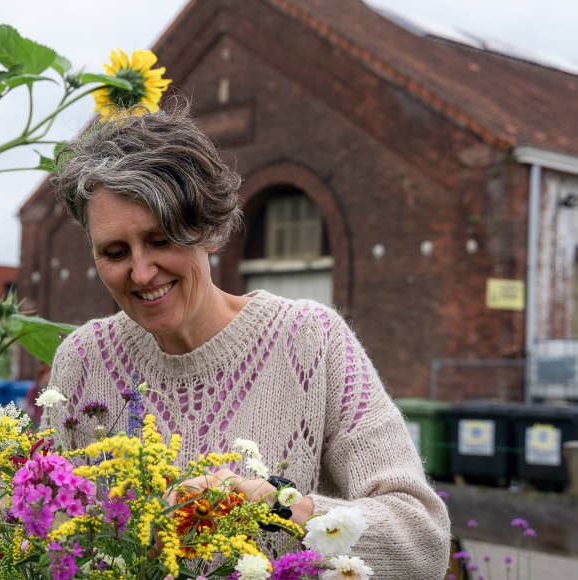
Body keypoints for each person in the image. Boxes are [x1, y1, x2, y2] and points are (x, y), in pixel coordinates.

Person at [45, 103, 450, 577]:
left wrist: (281, 507)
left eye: (160, 241)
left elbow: (423, 540)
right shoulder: (81, 362)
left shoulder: (311, 343)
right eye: (115, 252)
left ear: (207, 231)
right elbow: (47, 538)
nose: (140, 272)